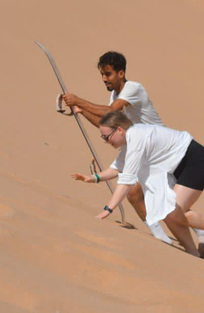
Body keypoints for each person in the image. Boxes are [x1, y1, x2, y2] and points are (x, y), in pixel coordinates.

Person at [71, 111, 204, 258]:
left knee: (170, 211)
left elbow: (126, 180)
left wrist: (108, 209)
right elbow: (117, 167)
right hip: (177, 166)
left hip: (196, 161)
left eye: (107, 137)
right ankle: (194, 254)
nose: (106, 141)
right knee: (167, 212)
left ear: (120, 130)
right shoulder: (129, 142)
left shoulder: (137, 137)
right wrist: (93, 178)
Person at [61, 51, 171, 244]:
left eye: (108, 74)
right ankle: (160, 237)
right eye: (102, 75)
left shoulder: (133, 88)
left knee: (169, 197)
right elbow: (107, 123)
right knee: (135, 192)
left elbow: (111, 111)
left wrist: (79, 100)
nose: (104, 79)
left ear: (121, 73)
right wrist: (81, 110)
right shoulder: (115, 94)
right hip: (139, 147)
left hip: (158, 147)